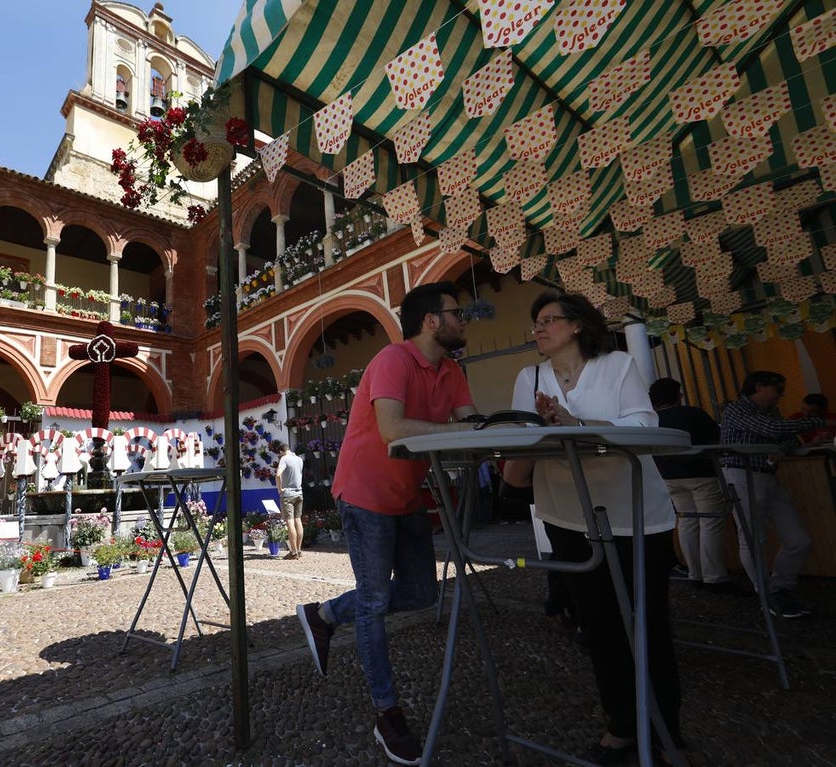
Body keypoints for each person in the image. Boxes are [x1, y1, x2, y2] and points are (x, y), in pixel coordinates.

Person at [295, 280, 479, 766]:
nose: (464, 320)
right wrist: (465, 429)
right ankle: (386, 712)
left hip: (406, 495)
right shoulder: (392, 361)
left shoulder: (451, 371)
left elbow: (471, 424)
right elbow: (393, 430)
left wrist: (513, 427)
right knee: (375, 600)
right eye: (456, 313)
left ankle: (327, 614)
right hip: (364, 494)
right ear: (431, 321)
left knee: (422, 593)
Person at [501, 291, 682, 764]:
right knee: (599, 625)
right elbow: (528, 437)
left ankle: (666, 731)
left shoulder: (617, 365)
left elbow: (643, 426)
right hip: (567, 513)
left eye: (548, 320)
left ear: (578, 325)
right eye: (535, 322)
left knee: (648, 623)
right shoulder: (530, 376)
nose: (538, 329)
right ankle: (621, 724)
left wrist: (576, 422)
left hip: (634, 511)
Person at [720, 372, 834, 619]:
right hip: (742, 475)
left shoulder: (769, 412)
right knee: (753, 539)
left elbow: (788, 441)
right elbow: (773, 430)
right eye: (778, 390)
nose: (781, 396)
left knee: (799, 540)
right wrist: (819, 423)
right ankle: (768, 594)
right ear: (759, 387)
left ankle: (779, 588)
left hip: (766, 475)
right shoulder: (736, 409)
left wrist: (800, 444)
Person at [648, 377, 736, 593]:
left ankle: (694, 572)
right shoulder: (693, 414)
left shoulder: (652, 420)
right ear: (677, 395)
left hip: (669, 476)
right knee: (711, 523)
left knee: (687, 523)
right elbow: (718, 438)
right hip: (702, 473)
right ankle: (714, 576)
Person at [272, 440, 304, 559]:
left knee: (289, 521)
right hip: (299, 492)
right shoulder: (299, 459)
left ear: (281, 451)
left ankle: (293, 551)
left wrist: (280, 489)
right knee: (298, 520)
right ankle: (299, 550)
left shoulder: (284, 459)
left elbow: (278, 474)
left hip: (288, 494)